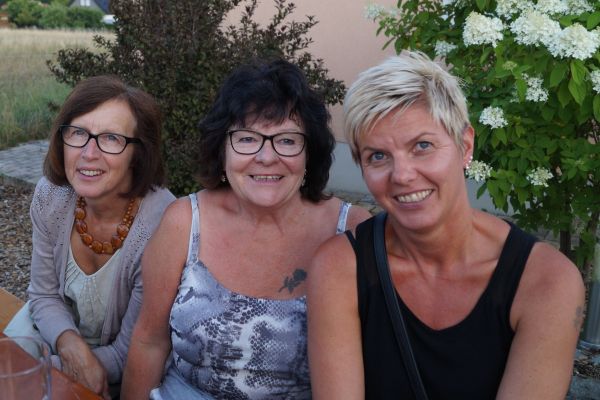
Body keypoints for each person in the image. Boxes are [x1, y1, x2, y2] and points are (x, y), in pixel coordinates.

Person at [306, 51, 585, 400]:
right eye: (378, 156)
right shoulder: (340, 269)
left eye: (422, 146)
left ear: (464, 146)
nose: (402, 175)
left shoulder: (545, 281)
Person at [121, 59, 370, 399]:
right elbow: (150, 341)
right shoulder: (184, 222)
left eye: (287, 140)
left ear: (309, 153)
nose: (266, 157)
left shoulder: (352, 230)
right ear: (221, 150)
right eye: (247, 138)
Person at [4, 75, 175, 399]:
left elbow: (133, 351)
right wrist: (70, 346)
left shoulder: (163, 225)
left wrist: (41, 370)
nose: (88, 152)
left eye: (111, 138)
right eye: (78, 133)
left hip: (124, 369)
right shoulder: (51, 196)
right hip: (54, 339)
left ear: (138, 153)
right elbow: (44, 296)